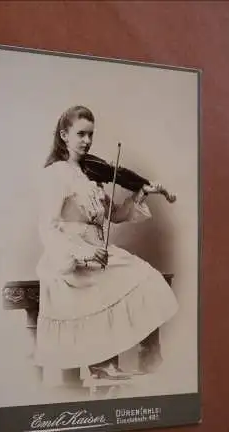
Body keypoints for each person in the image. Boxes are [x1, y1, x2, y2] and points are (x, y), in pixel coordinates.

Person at [34, 105, 178, 382]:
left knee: (146, 277)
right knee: (108, 284)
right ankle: (101, 364)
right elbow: (48, 228)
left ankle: (149, 360)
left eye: (91, 134)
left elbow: (116, 215)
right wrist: (82, 254)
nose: (87, 141)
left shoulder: (91, 176)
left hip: (99, 252)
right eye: (81, 134)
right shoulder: (55, 174)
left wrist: (141, 193)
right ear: (64, 135)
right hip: (71, 258)